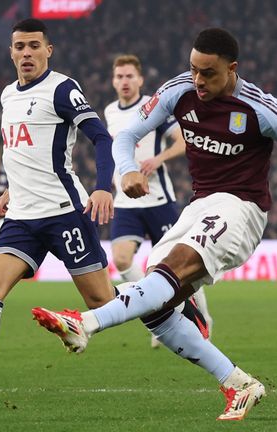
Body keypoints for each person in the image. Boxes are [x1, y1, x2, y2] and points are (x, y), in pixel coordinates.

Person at [32, 28, 277, 421]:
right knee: (158, 308)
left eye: (208, 73)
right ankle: (238, 382)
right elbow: (127, 133)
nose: (198, 80)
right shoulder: (179, 89)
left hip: (242, 210)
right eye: (193, 69)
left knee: (168, 273)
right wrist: (129, 167)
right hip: (199, 207)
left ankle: (84, 323)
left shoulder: (262, 107)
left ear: (232, 69)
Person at [0, 17, 213, 413]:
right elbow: (25, 152)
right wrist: (9, 191)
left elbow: (101, 138)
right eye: (19, 47)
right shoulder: (8, 95)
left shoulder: (62, 88)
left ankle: (170, 302)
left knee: (101, 299)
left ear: (48, 50)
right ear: (10, 52)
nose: (26, 53)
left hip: (64, 213)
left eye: (34, 46)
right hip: (21, 218)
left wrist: (103, 186)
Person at [105, 54, 212, 348]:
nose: (124, 82)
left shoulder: (153, 106)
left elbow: (182, 141)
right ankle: (160, 308)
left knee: (179, 264)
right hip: (126, 201)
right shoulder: (110, 112)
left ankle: (202, 315)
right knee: (122, 259)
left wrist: (158, 158)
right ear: (113, 81)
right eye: (119, 77)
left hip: (157, 199)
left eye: (129, 76)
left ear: (140, 79)